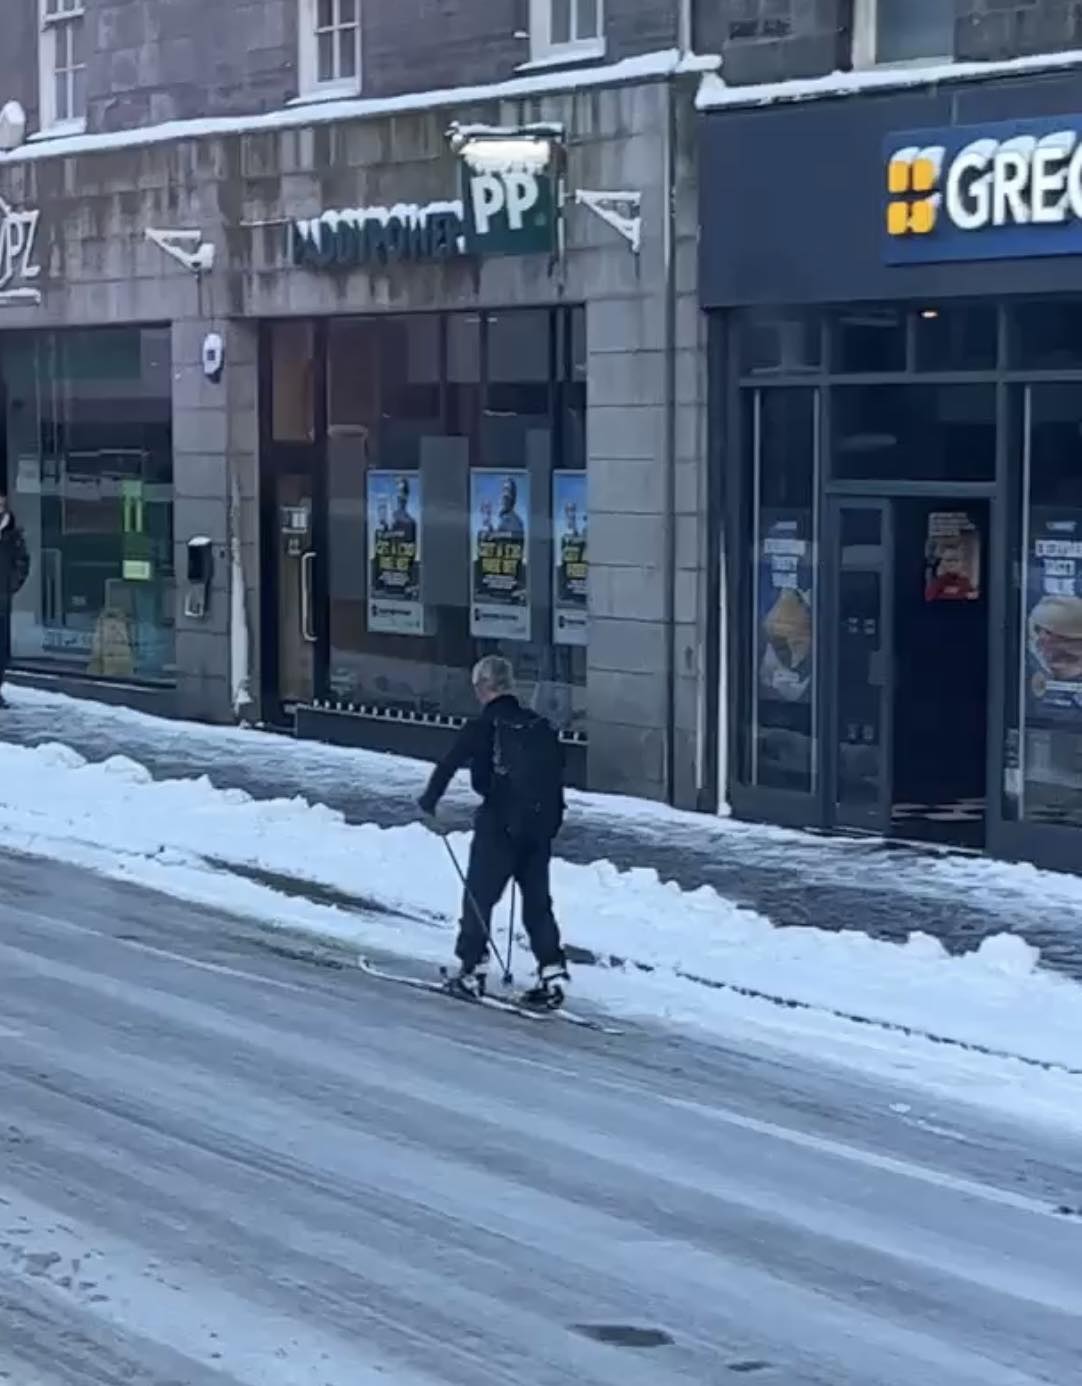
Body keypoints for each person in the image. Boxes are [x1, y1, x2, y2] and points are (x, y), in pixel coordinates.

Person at [418, 654, 570, 1009]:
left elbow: (448, 764)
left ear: (483, 687)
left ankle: (472, 969)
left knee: (479, 897)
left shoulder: (482, 727)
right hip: (538, 828)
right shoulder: (539, 726)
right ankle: (551, 970)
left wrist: (429, 801)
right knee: (536, 903)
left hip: (498, 825)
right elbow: (557, 773)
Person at [0, 489, 29, 708]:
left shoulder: (12, 534)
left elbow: (22, 563)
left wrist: (10, 587)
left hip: (1, 599)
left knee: (1, 648)